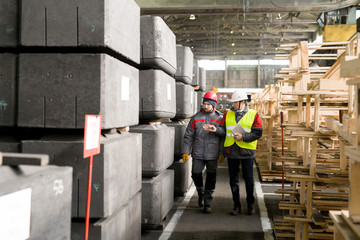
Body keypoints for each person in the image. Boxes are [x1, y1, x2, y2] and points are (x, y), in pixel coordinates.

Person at [205, 89, 262, 215]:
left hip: (247, 152)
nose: (233, 105)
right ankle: (236, 205)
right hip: (232, 151)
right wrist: (216, 129)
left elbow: (258, 132)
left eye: (235, 102)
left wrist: (244, 138)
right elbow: (224, 130)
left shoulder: (253, 114)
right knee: (233, 181)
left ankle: (250, 203)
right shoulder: (228, 113)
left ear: (242, 102)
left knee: (248, 180)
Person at [182, 91, 223, 214]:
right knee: (195, 173)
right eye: (204, 104)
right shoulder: (196, 118)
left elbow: (224, 134)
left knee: (211, 177)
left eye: (208, 104)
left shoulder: (220, 118)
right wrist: (185, 151)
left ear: (213, 105)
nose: (205, 106)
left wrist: (216, 130)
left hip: (213, 153)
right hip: (198, 152)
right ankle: (201, 192)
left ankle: (208, 201)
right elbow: (188, 136)